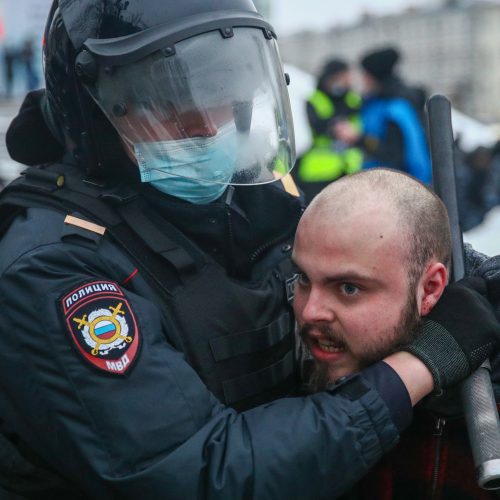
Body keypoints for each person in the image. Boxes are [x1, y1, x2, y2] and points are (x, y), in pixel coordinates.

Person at [0, 1, 498, 498]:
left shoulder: (240, 196)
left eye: (221, 94)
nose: (206, 125)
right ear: (97, 111)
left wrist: (472, 282)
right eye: (171, 103)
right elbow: (205, 475)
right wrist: (418, 367)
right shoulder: (53, 268)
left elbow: (362, 257)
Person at [293, 168, 500, 499]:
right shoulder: (289, 376)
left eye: (348, 287)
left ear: (430, 288)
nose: (308, 311)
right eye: (303, 278)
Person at [334, 47, 431, 184]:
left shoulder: (396, 108)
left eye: (365, 75)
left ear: (374, 77)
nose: (362, 79)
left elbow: (394, 154)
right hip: (378, 182)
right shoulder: (374, 102)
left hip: (397, 186)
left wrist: (358, 138)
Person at [294, 58, 363, 203]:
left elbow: (360, 125)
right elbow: (316, 127)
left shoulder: (353, 99)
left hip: (350, 168)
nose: (346, 80)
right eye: (342, 76)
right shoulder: (314, 99)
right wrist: (335, 128)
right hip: (319, 172)